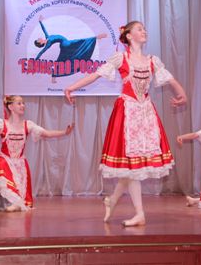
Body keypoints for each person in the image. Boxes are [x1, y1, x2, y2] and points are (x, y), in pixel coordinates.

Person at [64, 21, 187, 226]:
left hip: (145, 113)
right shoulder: (121, 58)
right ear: (129, 36)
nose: (144, 31)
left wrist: (182, 93)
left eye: (144, 28)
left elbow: (170, 80)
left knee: (131, 167)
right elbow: (95, 75)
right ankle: (139, 214)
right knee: (131, 166)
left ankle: (112, 201)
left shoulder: (152, 61)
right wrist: (71, 87)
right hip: (127, 112)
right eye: (139, 29)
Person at [0, 95, 74, 212]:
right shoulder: (2, 124)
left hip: (20, 162)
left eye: (23, 103)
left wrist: (64, 132)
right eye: (19, 103)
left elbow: (46, 133)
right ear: (11, 107)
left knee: (16, 182)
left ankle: (16, 202)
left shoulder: (28, 125)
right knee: (1, 165)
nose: (23, 106)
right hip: (4, 159)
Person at [34, 15, 108, 82]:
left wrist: (40, 21)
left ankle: (54, 78)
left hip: (64, 44)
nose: (38, 38)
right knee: (79, 42)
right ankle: (96, 37)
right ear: (40, 43)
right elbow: (41, 52)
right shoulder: (48, 43)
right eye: (38, 40)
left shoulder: (47, 37)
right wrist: (35, 61)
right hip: (66, 43)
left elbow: (44, 29)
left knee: (61, 60)